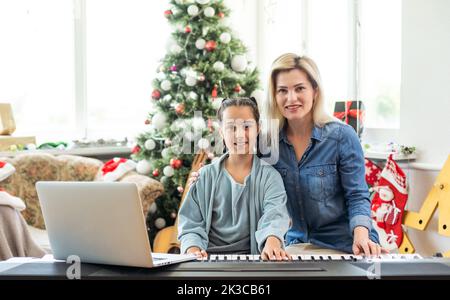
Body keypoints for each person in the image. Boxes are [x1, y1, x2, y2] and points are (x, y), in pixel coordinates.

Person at [262, 53, 385, 256]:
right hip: (295, 243)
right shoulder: (268, 143)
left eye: (299, 88)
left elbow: (357, 196)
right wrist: (201, 177)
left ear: (315, 92)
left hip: (346, 243)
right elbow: (250, 187)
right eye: (282, 90)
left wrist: (362, 235)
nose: (291, 98)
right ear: (274, 96)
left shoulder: (342, 136)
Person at [178, 97, 290, 261]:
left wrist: (272, 241)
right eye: (231, 127)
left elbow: (275, 216)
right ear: (222, 131)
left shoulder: (270, 177)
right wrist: (193, 249)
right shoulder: (205, 176)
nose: (239, 134)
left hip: (254, 260)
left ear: (258, 128)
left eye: (246, 126)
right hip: (207, 260)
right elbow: (191, 223)